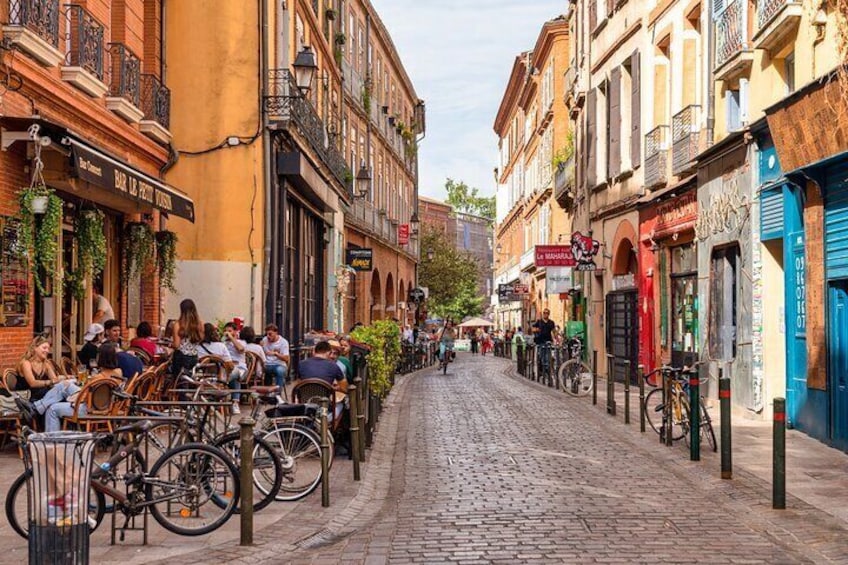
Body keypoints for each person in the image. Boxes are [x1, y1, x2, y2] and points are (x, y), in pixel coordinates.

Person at [26, 344, 122, 433]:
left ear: (100, 357)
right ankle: (36, 407)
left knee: (52, 408)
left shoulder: (98, 378)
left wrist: (72, 399)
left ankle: (52, 441)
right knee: (63, 385)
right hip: (107, 408)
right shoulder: (117, 374)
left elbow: (85, 398)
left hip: (89, 409)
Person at [14, 337, 81, 431]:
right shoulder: (26, 363)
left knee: (63, 386)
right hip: (28, 397)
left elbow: (55, 381)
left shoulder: (45, 363)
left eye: (48, 348)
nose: (47, 351)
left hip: (43, 396)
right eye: (44, 348)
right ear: (34, 348)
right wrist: (54, 382)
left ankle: (35, 408)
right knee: (62, 392)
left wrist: (65, 378)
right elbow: (32, 383)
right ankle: (80, 406)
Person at [298, 341, 347, 421]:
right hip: (324, 409)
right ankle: (331, 430)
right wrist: (335, 388)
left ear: (314, 351)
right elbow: (345, 388)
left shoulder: (301, 364)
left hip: (305, 407)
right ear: (328, 352)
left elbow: (298, 385)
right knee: (341, 405)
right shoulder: (333, 366)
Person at [199, 323, 239, 413]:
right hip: (220, 379)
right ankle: (235, 401)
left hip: (202, 379)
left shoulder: (197, 347)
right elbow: (230, 366)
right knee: (237, 373)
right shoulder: (221, 346)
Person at [171, 299, 203, 376]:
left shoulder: (178, 324)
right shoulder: (200, 323)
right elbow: (201, 338)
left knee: (180, 382)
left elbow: (176, 345)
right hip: (194, 356)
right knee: (191, 380)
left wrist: (170, 344)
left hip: (181, 357)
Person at [532, 309, 556, 376]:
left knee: (548, 357)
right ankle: (542, 370)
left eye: (547, 313)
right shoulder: (539, 322)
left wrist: (556, 339)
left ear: (549, 314)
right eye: (544, 313)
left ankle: (547, 370)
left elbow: (554, 331)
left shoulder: (551, 322)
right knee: (541, 356)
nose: (545, 314)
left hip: (548, 341)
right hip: (540, 341)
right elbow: (533, 328)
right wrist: (536, 329)